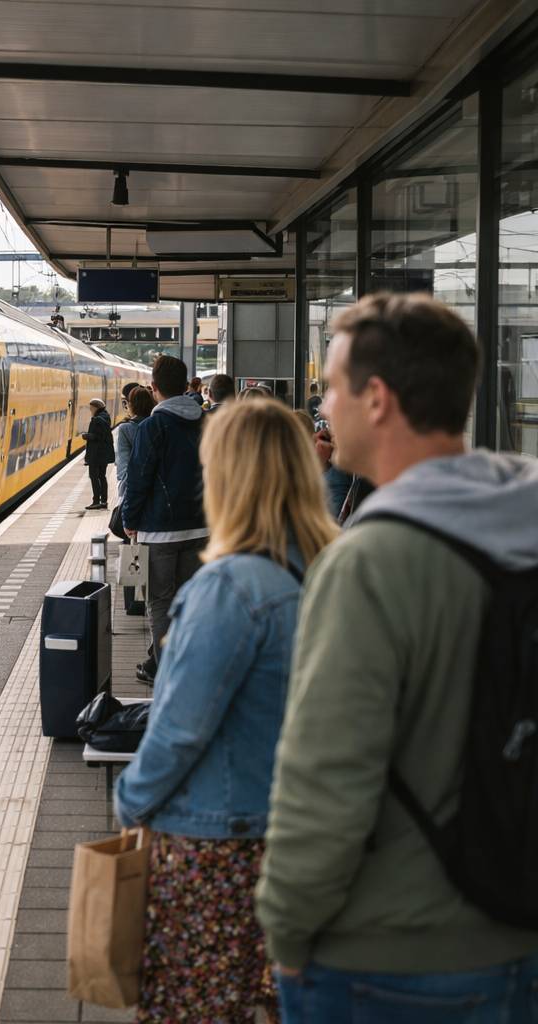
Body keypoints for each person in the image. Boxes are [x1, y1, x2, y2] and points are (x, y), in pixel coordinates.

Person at [258, 293, 538, 1018]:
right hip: (520, 931)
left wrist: (285, 927)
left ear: (376, 400)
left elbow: (328, 776)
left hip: (388, 958)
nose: (322, 405)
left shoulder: (371, 562)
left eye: (330, 388)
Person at [117, 398, 337, 1023]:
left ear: (230, 479)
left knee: (200, 1007)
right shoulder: (327, 568)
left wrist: (130, 800)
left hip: (218, 849)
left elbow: (179, 729)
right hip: (295, 835)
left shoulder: (230, 589)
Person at [122, 355, 207, 683]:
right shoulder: (207, 423)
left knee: (160, 601)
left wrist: (130, 519)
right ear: (186, 387)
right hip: (202, 527)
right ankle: (182, 666)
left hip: (159, 532)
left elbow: (138, 479)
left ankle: (166, 672)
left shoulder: (152, 427)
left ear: (154, 388)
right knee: (188, 600)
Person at [114, 386, 154, 497]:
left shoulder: (125, 429)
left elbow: (123, 465)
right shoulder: (156, 425)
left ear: (131, 405)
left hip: (133, 490)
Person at [81, 397, 113, 510]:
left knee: (94, 477)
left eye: (91, 408)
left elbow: (97, 436)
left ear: (95, 408)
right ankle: (104, 501)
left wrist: (86, 436)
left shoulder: (97, 420)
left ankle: (96, 501)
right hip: (103, 454)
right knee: (102, 477)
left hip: (96, 454)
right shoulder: (106, 417)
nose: (90, 410)